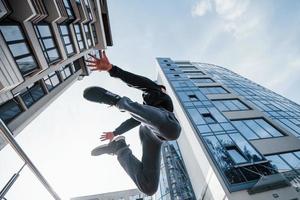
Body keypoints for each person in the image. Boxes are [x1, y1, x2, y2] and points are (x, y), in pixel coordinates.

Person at [83, 51, 181, 196]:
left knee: (149, 188)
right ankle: (116, 100)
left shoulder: (149, 106)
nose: (165, 91)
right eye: (163, 89)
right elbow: (136, 80)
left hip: (153, 132)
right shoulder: (154, 89)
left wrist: (116, 133)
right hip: (151, 129)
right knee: (172, 131)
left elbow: (133, 120)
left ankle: (119, 148)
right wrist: (111, 68)